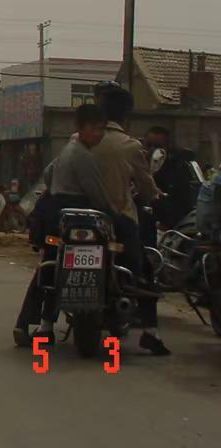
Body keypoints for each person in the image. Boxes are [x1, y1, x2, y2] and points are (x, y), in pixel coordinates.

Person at [17, 105, 110, 342]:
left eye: (101, 129)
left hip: (57, 214)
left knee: (52, 266)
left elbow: (48, 174)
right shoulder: (83, 154)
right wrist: (111, 211)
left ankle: (36, 324)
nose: (99, 134)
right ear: (80, 127)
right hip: (79, 216)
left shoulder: (69, 148)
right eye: (94, 128)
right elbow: (96, 192)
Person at [90, 82, 169, 356]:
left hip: (82, 219)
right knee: (144, 266)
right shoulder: (130, 145)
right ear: (126, 115)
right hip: (119, 220)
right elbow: (147, 189)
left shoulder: (80, 139)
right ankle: (150, 332)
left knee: (51, 263)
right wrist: (155, 197)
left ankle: (43, 323)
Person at [144, 126, 195, 231]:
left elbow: (183, 205)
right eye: (149, 145)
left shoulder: (177, 170)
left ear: (166, 148)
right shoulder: (137, 165)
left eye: (157, 147)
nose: (152, 150)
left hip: (166, 226)